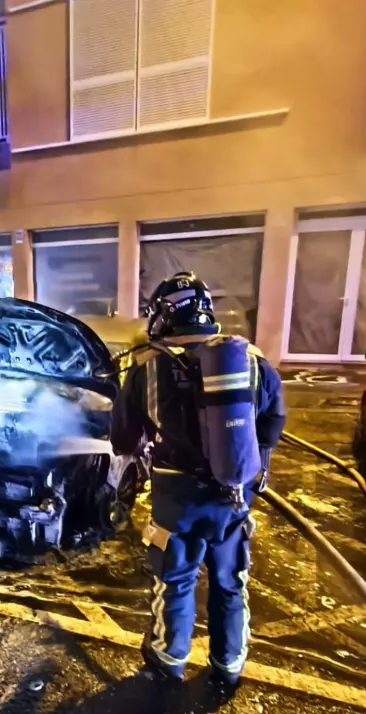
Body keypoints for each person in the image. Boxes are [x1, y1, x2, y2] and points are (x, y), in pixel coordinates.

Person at [110, 271, 286, 687]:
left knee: (175, 578)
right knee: (230, 582)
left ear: (164, 316)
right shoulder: (251, 361)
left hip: (177, 496)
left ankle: (169, 655)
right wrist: (252, 461)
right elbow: (273, 421)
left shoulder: (145, 369)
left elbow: (123, 440)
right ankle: (228, 664)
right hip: (234, 495)